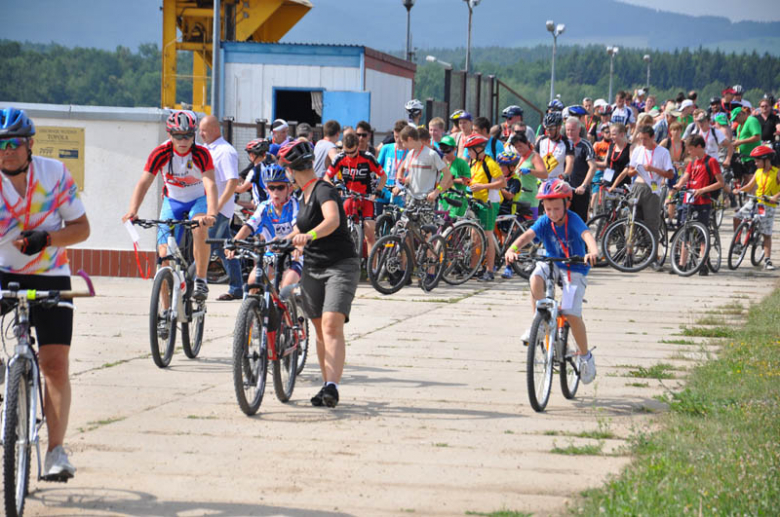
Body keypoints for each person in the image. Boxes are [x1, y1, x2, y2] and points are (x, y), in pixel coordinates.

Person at [0, 107, 91, 479]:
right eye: (0, 144)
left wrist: (47, 239)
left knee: (54, 364)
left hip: (50, 272)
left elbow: (82, 228)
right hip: (2, 272)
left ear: (29, 144)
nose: (6, 150)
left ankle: (56, 451)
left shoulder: (53, 174)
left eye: (13, 143)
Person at [277, 140, 360, 408]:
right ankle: (326, 386)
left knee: (331, 324)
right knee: (319, 330)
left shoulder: (324, 189)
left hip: (340, 265)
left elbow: (332, 220)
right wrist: (284, 240)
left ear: (291, 169)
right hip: (313, 266)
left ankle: (333, 387)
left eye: (286, 170)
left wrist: (308, 236)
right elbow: (299, 230)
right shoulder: (303, 194)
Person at [504, 179, 599, 384]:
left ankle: (585, 357)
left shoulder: (573, 220)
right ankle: (537, 324)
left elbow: (587, 235)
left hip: (575, 267)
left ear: (567, 204)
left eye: (556, 208)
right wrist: (512, 249)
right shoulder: (545, 221)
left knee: (570, 312)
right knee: (535, 276)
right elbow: (528, 235)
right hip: (553, 262)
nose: (552, 213)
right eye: (548, 209)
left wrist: (593, 251)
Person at [124, 111, 217, 299]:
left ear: (194, 135)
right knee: (164, 258)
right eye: (177, 135)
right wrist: (133, 211)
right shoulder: (161, 152)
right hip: (172, 200)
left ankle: (201, 279)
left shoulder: (201, 153)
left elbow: (210, 184)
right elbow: (144, 182)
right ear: (169, 135)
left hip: (197, 199)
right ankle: (165, 316)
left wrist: (212, 214)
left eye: (188, 135)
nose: (183, 140)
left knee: (199, 228)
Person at [228, 163, 302, 289]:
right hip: (272, 254)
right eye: (271, 188)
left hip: (293, 252)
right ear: (267, 189)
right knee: (253, 283)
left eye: (280, 187)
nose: (275, 192)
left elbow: (298, 229)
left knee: (287, 284)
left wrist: (284, 240)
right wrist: (234, 242)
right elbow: (249, 226)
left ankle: (290, 306)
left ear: (289, 188)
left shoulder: (294, 204)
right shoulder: (264, 207)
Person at [611, 126, 674, 268]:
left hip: (653, 190)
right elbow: (631, 170)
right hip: (638, 186)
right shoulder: (638, 150)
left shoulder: (662, 152)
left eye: (645, 139)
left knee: (652, 223)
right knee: (632, 221)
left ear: (652, 138)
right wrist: (634, 171)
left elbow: (670, 174)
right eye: (641, 139)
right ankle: (629, 253)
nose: (643, 141)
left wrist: (653, 169)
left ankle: (653, 256)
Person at [199, 115, 243, 301]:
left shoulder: (225, 152)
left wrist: (216, 208)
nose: (201, 134)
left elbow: (232, 182)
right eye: (200, 130)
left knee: (205, 246)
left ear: (216, 130)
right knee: (224, 248)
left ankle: (195, 282)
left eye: (204, 130)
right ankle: (236, 287)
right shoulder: (207, 149)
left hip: (218, 210)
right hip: (212, 208)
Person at [671, 135, 725, 276]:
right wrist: (678, 185)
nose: (689, 152)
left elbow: (720, 183)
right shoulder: (692, 163)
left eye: (691, 149)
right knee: (685, 232)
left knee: (702, 234)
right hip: (689, 201)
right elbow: (686, 176)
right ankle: (682, 264)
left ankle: (703, 263)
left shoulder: (711, 161)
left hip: (703, 201)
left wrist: (703, 190)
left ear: (699, 147)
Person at [325, 133, 386, 255]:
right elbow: (326, 177)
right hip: (349, 197)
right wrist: (334, 187)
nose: (349, 155)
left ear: (358, 147)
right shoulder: (340, 158)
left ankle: (371, 270)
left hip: (367, 197)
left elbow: (383, 176)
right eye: (346, 152)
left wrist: (378, 191)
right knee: (340, 230)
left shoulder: (368, 158)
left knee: (370, 234)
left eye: (352, 152)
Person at [465, 134, 506, 281]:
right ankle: (473, 268)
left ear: (478, 149)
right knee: (475, 237)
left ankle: (490, 270)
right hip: (476, 201)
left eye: (470, 149)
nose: (468, 153)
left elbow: (502, 183)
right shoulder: (473, 163)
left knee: (487, 236)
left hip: (489, 202)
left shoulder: (490, 163)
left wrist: (483, 186)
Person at [733, 145, 780, 271]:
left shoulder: (776, 172)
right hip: (755, 201)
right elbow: (749, 186)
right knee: (737, 215)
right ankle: (737, 242)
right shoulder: (758, 172)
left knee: (766, 233)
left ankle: (767, 259)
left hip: (767, 205)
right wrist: (739, 190)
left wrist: (775, 197)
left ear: (766, 160)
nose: (755, 163)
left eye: (757, 160)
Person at [393, 126, 452, 206]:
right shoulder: (410, 154)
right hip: (410, 199)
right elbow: (411, 175)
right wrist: (400, 184)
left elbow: (448, 175)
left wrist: (437, 192)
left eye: (403, 142)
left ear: (410, 139)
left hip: (426, 199)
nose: (403, 145)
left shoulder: (432, 154)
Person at [564, 117, 596, 222]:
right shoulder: (563, 144)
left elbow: (592, 167)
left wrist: (583, 185)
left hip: (579, 190)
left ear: (579, 130)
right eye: (568, 130)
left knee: (579, 222)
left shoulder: (585, 145)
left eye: (572, 130)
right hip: (564, 189)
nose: (570, 132)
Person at [376, 120, 410, 212]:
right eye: (395, 137)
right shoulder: (386, 148)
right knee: (379, 221)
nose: (398, 140)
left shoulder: (410, 152)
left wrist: (400, 186)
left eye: (400, 137)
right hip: (384, 192)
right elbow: (377, 168)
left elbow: (412, 174)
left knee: (397, 223)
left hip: (400, 195)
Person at [437, 135, 471, 218]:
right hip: (442, 200)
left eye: (448, 150)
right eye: (442, 149)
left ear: (454, 149)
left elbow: (468, 181)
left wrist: (453, 180)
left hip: (457, 201)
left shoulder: (462, 163)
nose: (445, 153)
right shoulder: (439, 163)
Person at [535, 111, 573, 180]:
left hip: (557, 182)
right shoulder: (541, 140)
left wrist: (566, 174)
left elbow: (570, 161)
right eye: (547, 128)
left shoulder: (567, 142)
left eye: (551, 128)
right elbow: (533, 158)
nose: (548, 131)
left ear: (559, 127)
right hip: (541, 182)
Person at [236, 138, 270, 209]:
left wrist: (228, 187)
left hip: (262, 209)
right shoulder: (271, 166)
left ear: (252, 154)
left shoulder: (254, 171)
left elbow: (242, 189)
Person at [732, 107, 763, 184]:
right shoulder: (739, 126)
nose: (735, 121)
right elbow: (740, 139)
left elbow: (757, 137)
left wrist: (740, 142)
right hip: (743, 158)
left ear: (741, 114)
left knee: (752, 180)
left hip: (752, 157)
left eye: (735, 119)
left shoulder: (751, 121)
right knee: (745, 180)